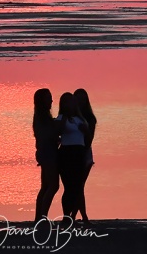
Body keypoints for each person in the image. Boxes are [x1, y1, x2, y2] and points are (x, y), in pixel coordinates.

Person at [56, 92, 89, 221]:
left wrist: (84, 129)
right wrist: (64, 119)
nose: (69, 105)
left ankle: (75, 215)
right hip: (66, 154)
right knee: (68, 186)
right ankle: (66, 216)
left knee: (78, 186)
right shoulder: (60, 118)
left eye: (71, 102)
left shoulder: (80, 119)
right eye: (66, 102)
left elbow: (87, 136)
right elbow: (58, 131)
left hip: (79, 153)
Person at [33, 88, 61, 221]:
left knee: (45, 186)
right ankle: (42, 217)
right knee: (53, 185)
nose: (51, 100)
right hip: (48, 152)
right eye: (48, 98)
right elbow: (47, 135)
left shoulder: (42, 116)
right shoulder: (42, 117)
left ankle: (39, 217)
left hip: (45, 152)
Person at [73, 88, 97, 225]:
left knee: (79, 186)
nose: (80, 102)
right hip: (73, 154)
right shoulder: (72, 117)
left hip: (85, 154)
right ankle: (79, 215)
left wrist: (85, 131)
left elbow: (89, 141)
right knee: (76, 186)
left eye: (82, 99)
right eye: (77, 99)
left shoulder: (90, 118)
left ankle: (80, 215)